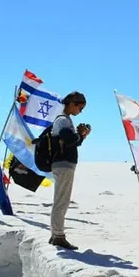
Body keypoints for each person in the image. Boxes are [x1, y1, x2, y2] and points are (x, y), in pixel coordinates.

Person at [49, 91, 91, 250]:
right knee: (62, 201)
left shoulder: (64, 120)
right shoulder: (63, 120)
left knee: (61, 200)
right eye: (80, 107)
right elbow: (69, 140)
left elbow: (72, 141)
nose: (80, 111)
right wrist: (79, 135)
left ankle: (55, 235)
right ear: (72, 103)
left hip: (64, 164)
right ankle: (58, 236)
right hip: (64, 164)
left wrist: (81, 136)